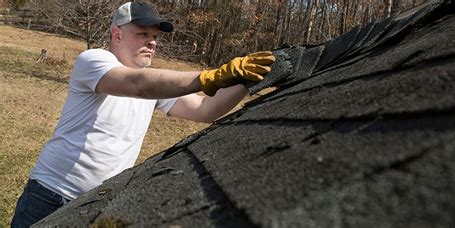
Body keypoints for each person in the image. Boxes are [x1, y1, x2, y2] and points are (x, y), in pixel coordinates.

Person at [11, 2, 275, 227]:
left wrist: (245, 79)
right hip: (50, 196)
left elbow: (205, 110)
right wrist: (212, 76)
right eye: (142, 33)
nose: (152, 41)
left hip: (97, 203)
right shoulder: (94, 61)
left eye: (155, 36)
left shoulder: (158, 84)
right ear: (117, 34)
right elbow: (137, 84)